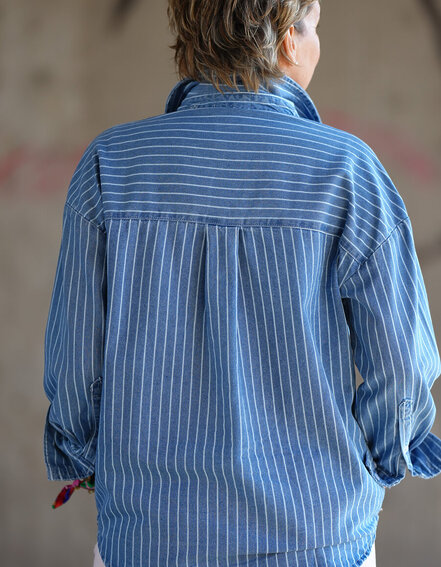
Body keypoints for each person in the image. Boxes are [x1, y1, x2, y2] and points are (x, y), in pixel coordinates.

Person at [42, 1, 441, 565]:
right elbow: (401, 366)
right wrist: (379, 459)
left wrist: (87, 458)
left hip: (150, 536)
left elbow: (75, 365)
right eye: (314, 25)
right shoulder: (348, 170)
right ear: (288, 39)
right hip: (317, 534)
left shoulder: (112, 163)